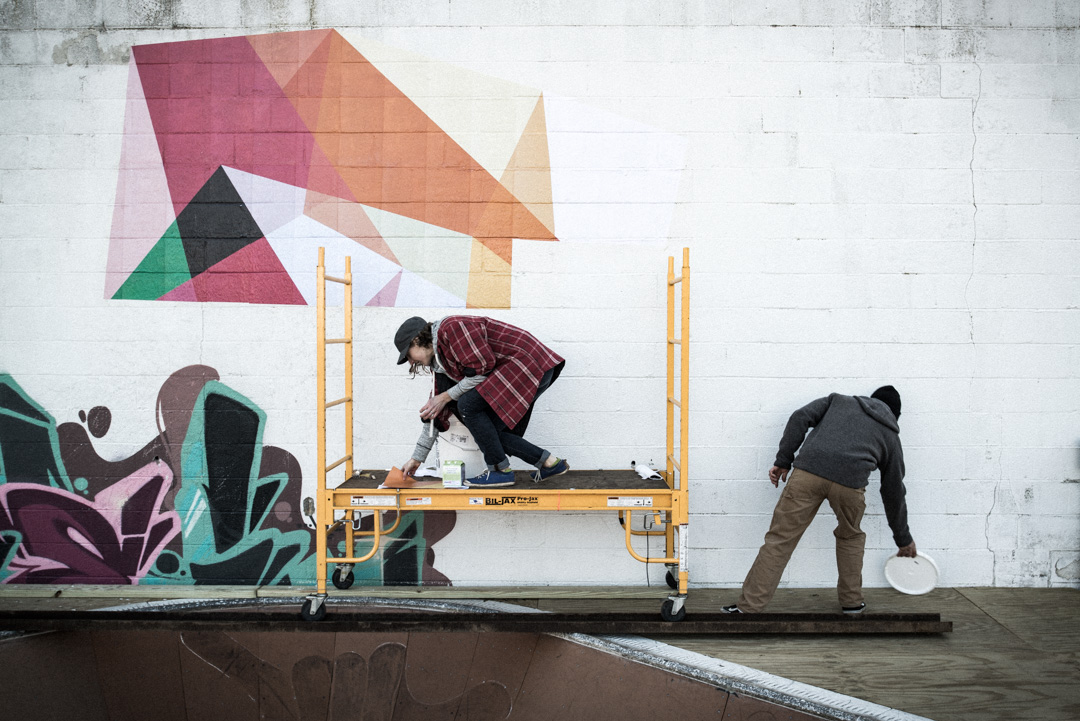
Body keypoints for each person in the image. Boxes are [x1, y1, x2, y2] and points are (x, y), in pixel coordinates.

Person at [723, 386, 916, 614]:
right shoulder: (890, 436)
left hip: (808, 474)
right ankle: (852, 603)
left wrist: (784, 459)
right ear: (894, 415)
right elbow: (893, 491)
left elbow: (800, 417)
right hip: (850, 484)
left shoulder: (838, 401)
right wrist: (903, 539)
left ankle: (749, 608)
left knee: (780, 539)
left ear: (871, 399)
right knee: (851, 536)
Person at [394, 315, 569, 488]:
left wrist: (446, 396)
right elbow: (433, 413)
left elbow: (482, 368)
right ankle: (550, 463)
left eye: (407, 355)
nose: (410, 362)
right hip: (525, 369)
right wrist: (416, 459)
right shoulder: (441, 365)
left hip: (526, 362)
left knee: (467, 406)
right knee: (486, 432)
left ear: (417, 340)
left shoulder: (451, 328)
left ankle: (500, 472)